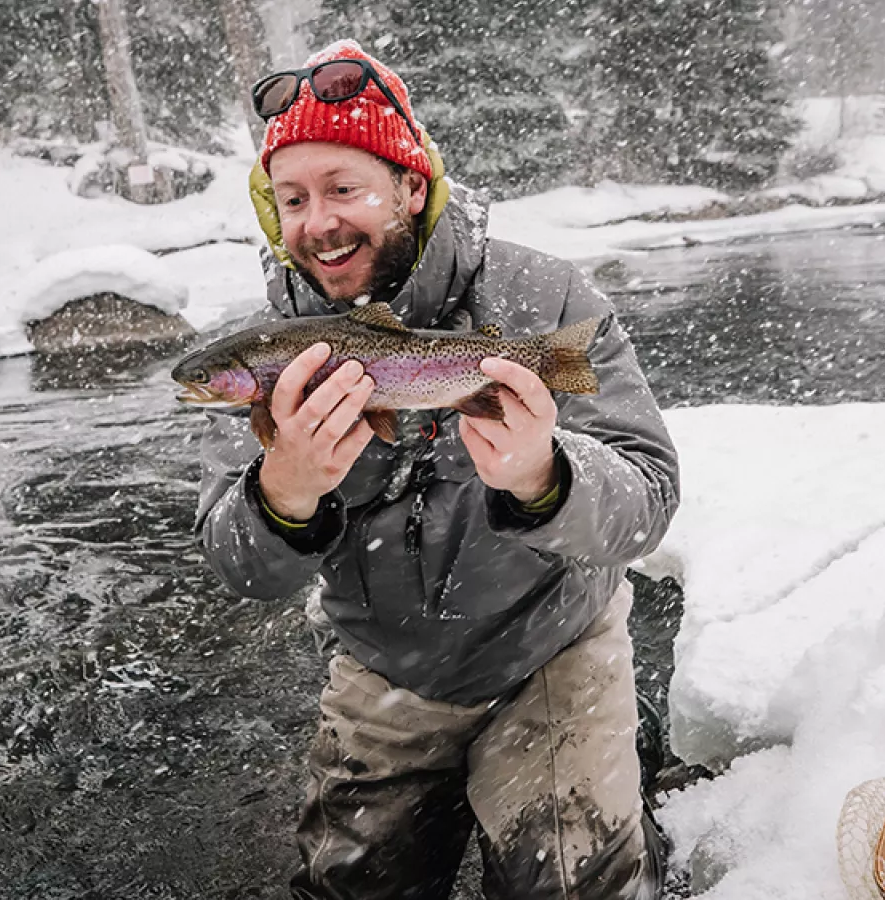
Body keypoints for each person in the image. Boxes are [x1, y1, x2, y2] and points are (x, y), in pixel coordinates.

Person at [193, 38, 682, 900]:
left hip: (552, 644)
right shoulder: (264, 352)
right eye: (294, 198)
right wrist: (285, 494)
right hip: (389, 665)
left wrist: (547, 475)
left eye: (345, 188)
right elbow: (239, 566)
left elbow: (649, 500)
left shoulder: (548, 300)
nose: (318, 221)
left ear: (411, 186)